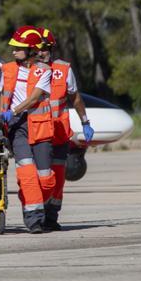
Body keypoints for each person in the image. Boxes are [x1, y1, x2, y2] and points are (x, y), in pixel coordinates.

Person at [37, 28, 94, 231]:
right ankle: (38, 214)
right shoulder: (27, 71)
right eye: (37, 48)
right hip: (37, 134)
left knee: (59, 177)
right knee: (42, 178)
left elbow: (75, 97)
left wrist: (85, 122)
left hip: (59, 133)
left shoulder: (63, 70)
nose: (41, 52)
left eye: (45, 48)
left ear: (51, 49)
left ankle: (52, 216)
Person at [0, 26, 54, 234]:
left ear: (30, 49)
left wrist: (13, 110)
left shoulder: (44, 71)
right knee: (27, 173)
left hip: (39, 127)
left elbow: (34, 98)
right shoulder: (7, 69)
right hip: (17, 127)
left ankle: (33, 200)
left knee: (45, 179)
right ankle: (34, 220)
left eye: (18, 48)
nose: (13, 51)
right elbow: (3, 96)